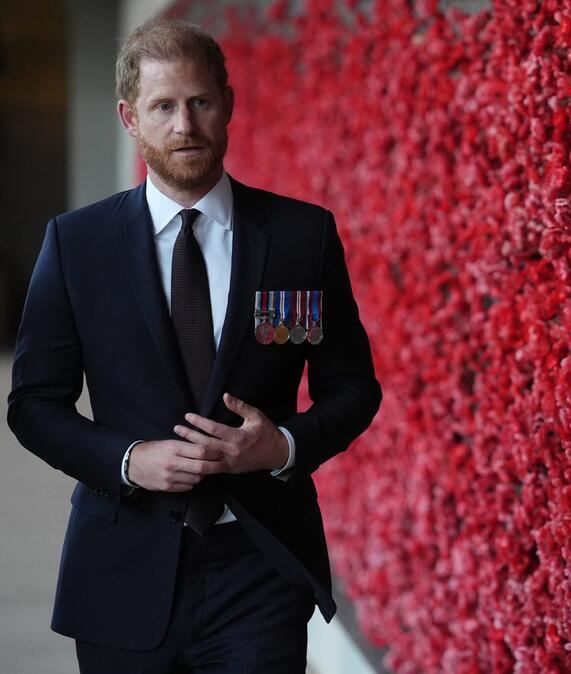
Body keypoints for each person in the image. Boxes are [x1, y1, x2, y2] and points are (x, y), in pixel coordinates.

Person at [6, 18, 381, 673]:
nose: (185, 125)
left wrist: (281, 446)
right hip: (122, 570)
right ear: (130, 118)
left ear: (227, 104)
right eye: (163, 106)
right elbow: (34, 405)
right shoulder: (77, 246)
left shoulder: (300, 239)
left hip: (260, 567)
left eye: (200, 101)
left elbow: (351, 387)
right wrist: (129, 460)